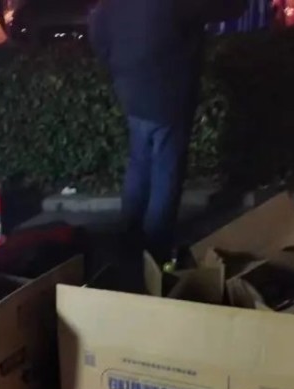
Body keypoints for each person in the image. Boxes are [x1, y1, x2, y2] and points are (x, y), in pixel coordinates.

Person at [89, 0, 246, 272]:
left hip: (131, 91)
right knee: (166, 170)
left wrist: (115, 64)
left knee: (139, 162)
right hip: (167, 94)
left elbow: (97, 26)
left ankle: (129, 237)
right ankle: (156, 246)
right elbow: (223, 9)